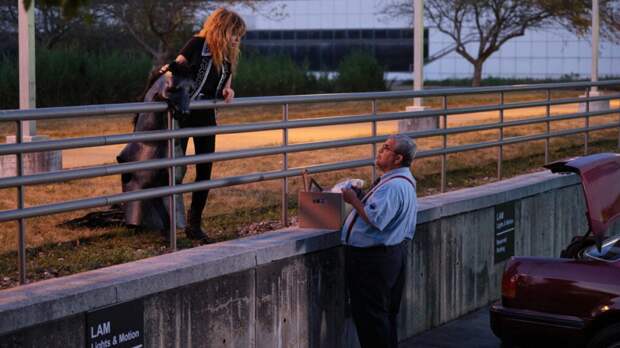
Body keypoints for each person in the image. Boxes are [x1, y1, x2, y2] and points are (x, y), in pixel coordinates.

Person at [165, 8, 246, 241]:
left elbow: (225, 84)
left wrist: (228, 90)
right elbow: (173, 70)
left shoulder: (228, 54)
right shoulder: (197, 43)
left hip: (206, 116)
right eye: (234, 33)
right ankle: (168, 224)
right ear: (223, 29)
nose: (237, 39)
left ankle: (194, 224)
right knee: (175, 168)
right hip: (183, 113)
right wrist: (179, 79)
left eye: (240, 35)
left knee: (204, 171)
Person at [341, 134, 418, 348]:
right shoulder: (401, 181)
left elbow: (377, 219)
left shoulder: (393, 186)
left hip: (373, 260)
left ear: (398, 158)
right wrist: (363, 197)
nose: (380, 150)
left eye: (386, 148)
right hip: (390, 256)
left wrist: (353, 200)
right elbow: (382, 211)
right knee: (383, 318)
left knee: (371, 319)